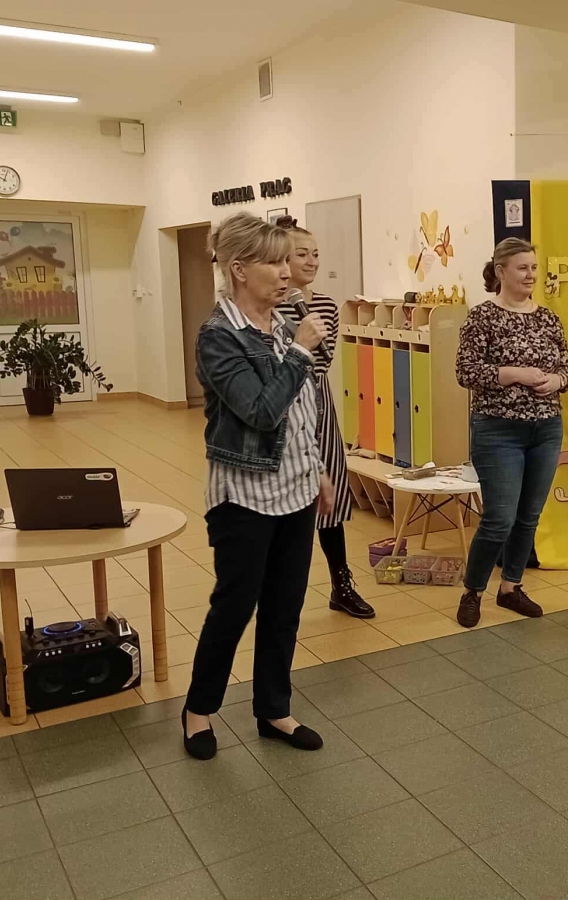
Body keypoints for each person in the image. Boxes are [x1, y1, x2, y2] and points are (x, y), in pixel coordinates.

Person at [183, 212, 334, 761]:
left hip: (296, 489)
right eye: (274, 261)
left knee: (285, 606)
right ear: (239, 269)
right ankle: (198, 710)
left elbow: (302, 410)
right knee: (234, 606)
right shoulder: (218, 336)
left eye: (287, 259)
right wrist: (300, 351)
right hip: (244, 496)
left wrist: (317, 468)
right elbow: (261, 412)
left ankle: (273, 709)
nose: (287, 272)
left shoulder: (282, 325)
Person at [454, 238, 568, 628]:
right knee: (499, 518)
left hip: (546, 428)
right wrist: (513, 374)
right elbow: (466, 372)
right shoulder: (483, 317)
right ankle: (472, 592)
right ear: (500, 271)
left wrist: (557, 380)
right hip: (498, 430)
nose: (531, 275)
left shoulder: (548, 319)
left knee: (528, 517)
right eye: (523, 268)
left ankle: (510, 588)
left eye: (534, 267)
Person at [274, 217, 373, 620]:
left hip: (317, 401)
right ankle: (282, 592)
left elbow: (322, 360)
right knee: (285, 500)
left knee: (329, 499)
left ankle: (341, 584)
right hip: (280, 403)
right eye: (302, 254)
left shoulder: (327, 305)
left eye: (315, 254)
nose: (312, 261)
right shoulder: (269, 305)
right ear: (281, 258)